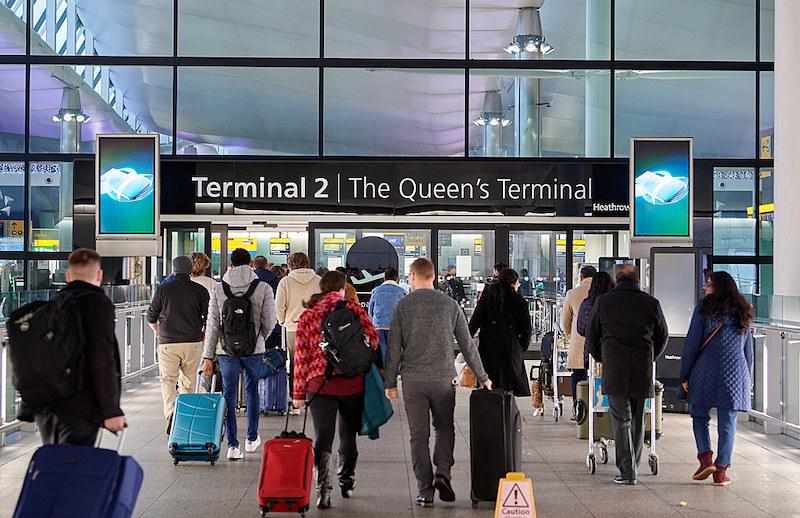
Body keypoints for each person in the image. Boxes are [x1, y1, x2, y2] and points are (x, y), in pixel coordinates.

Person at [385, 258, 491, 507]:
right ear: (433, 276)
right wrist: (483, 377)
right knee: (444, 428)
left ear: (412, 276)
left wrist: (390, 382)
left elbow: (393, 350)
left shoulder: (403, 306)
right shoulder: (450, 304)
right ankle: (443, 471)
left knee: (418, 436)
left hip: (413, 381)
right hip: (443, 379)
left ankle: (425, 490)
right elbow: (467, 345)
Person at [292, 271, 379, 510]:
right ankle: (346, 479)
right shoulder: (355, 311)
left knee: (323, 436)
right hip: (352, 382)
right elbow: (373, 340)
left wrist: (298, 393)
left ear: (321, 288)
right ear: (342, 289)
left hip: (319, 385)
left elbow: (301, 357)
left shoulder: (308, 315)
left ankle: (323, 490)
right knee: (347, 436)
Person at [24, 248, 126, 444]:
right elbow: (101, 358)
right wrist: (110, 409)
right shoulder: (99, 303)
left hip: (50, 402)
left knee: (58, 460)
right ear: (100, 275)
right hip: (82, 404)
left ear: (68, 276)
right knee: (77, 464)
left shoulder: (55, 302)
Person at [587, 265, 668, 485]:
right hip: (642, 367)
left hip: (615, 367)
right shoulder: (651, 303)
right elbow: (663, 336)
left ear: (617, 279)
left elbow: (591, 336)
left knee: (621, 419)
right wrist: (650, 356)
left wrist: (602, 357)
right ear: (638, 280)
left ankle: (627, 470)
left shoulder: (604, 302)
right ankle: (634, 465)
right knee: (639, 419)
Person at [680, 271, 754, 487]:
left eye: (709, 284)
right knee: (727, 422)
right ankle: (721, 471)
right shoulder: (743, 311)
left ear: (719, 287)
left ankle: (705, 460)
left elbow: (692, 344)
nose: (706, 288)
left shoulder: (704, 309)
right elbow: (748, 351)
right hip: (735, 370)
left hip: (706, 368)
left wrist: (685, 374)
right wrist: (745, 376)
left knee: (700, 415)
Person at [202, 248, 276, 460]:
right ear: (251, 264)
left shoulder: (219, 288)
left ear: (231, 265)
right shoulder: (263, 287)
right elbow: (270, 321)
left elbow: (213, 324)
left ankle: (233, 446)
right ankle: (252, 438)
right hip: (254, 350)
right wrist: (258, 337)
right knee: (253, 390)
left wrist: (208, 356)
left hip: (226, 351)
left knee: (229, 395)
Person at [147, 256, 210, 434]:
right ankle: (186, 416)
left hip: (168, 343)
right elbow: (208, 317)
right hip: (192, 342)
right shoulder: (200, 290)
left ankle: (170, 414)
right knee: (189, 381)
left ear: (173, 269)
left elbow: (151, 316)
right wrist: (203, 335)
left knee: (168, 380)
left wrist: (157, 331)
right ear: (191, 270)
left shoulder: (163, 289)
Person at [468, 268, 531, 396]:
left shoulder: (487, 298)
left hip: (489, 345)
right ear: (513, 283)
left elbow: (475, 322)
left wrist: (468, 342)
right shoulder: (520, 301)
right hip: (511, 346)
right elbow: (526, 329)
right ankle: (506, 409)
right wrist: (521, 347)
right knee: (510, 384)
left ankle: (491, 412)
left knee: (490, 382)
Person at [275, 252, 321, 413]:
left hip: (294, 328)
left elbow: (279, 306)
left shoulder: (285, 282)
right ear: (307, 263)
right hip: (315, 328)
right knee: (314, 363)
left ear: (290, 264)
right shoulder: (318, 281)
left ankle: (296, 400)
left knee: (295, 364)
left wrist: (282, 321)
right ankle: (314, 396)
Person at [562, 265, 596, 418]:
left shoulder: (572, 293)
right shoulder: (603, 292)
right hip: (598, 341)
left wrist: (570, 335)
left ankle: (579, 411)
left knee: (578, 375)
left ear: (581, 277)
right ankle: (597, 408)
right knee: (598, 376)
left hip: (579, 341)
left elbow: (565, 320)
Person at [368, 266, 407, 366]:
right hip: (395, 327)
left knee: (382, 353)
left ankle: (384, 374)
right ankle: (393, 373)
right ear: (397, 279)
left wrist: (374, 323)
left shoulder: (376, 291)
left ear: (384, 278)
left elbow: (370, 311)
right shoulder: (402, 292)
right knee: (394, 353)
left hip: (379, 326)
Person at [576, 271, 615, 369]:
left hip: (591, 352)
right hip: (613, 352)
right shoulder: (615, 304)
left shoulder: (587, 304)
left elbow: (581, 329)